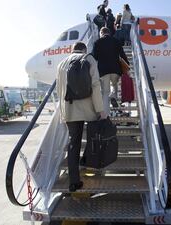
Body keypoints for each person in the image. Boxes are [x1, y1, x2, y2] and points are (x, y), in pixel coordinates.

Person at [57, 42, 107, 192]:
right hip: (89, 108)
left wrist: (63, 113)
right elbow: (96, 86)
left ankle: (74, 181)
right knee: (94, 140)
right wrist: (100, 109)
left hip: (70, 109)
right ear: (84, 49)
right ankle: (93, 168)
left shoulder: (61, 64)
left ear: (72, 50)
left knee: (74, 143)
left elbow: (60, 90)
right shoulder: (89, 59)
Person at [92, 27, 129, 115]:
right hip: (115, 69)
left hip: (103, 71)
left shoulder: (97, 42)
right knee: (114, 85)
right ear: (109, 33)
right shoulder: (116, 41)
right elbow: (122, 54)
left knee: (105, 92)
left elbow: (95, 57)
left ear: (101, 33)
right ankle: (113, 95)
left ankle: (106, 115)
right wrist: (127, 66)